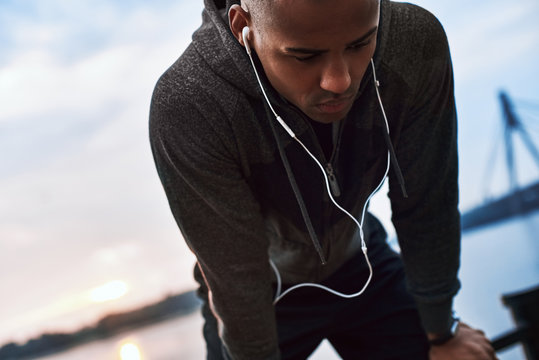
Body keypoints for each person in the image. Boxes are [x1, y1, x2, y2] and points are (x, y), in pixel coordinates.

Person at [149, 0, 497, 359]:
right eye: (304, 56)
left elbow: (428, 200)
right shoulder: (190, 106)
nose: (339, 81)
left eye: (360, 44)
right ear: (243, 28)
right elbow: (237, 275)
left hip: (361, 262)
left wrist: (441, 330)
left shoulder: (412, 43)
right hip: (260, 294)